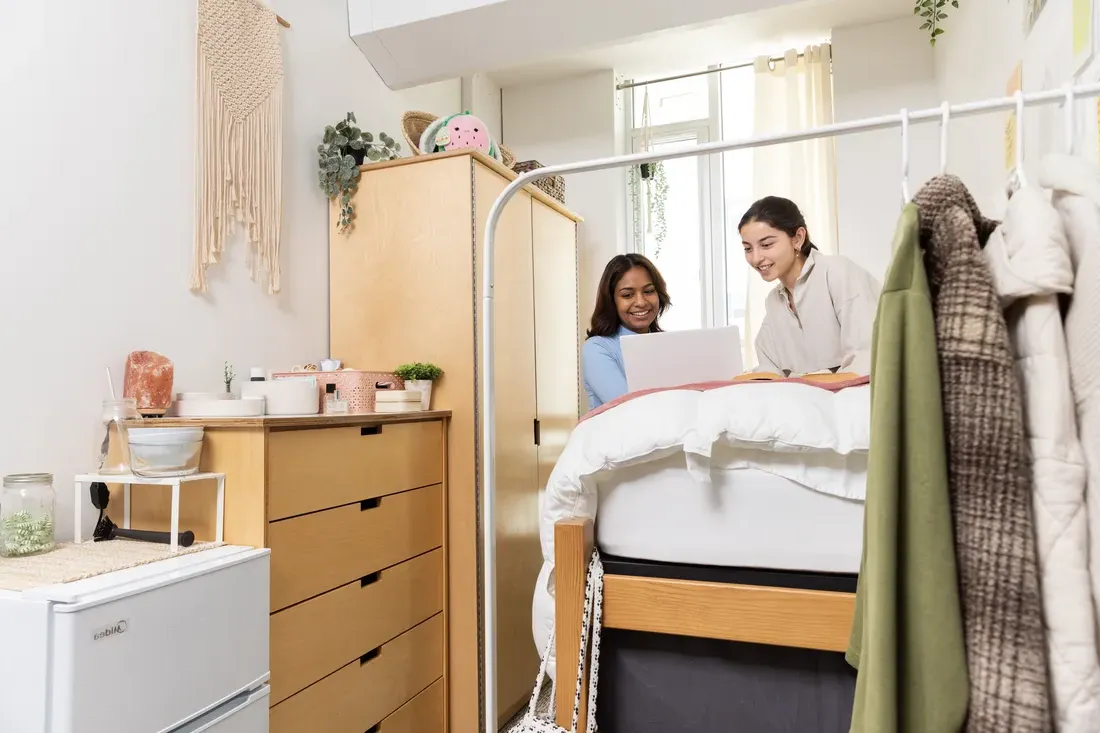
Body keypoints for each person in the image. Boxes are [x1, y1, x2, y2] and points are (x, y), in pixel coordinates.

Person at [739, 196, 881, 376]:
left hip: (860, 399)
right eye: (748, 249)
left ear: (798, 238)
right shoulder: (774, 301)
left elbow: (868, 358)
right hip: (808, 401)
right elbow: (770, 367)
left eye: (766, 245)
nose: (756, 258)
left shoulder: (836, 273)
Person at [582, 253, 671, 410]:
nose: (641, 302)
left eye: (649, 291)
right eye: (627, 295)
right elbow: (630, 408)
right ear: (612, 300)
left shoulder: (667, 344)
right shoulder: (597, 348)